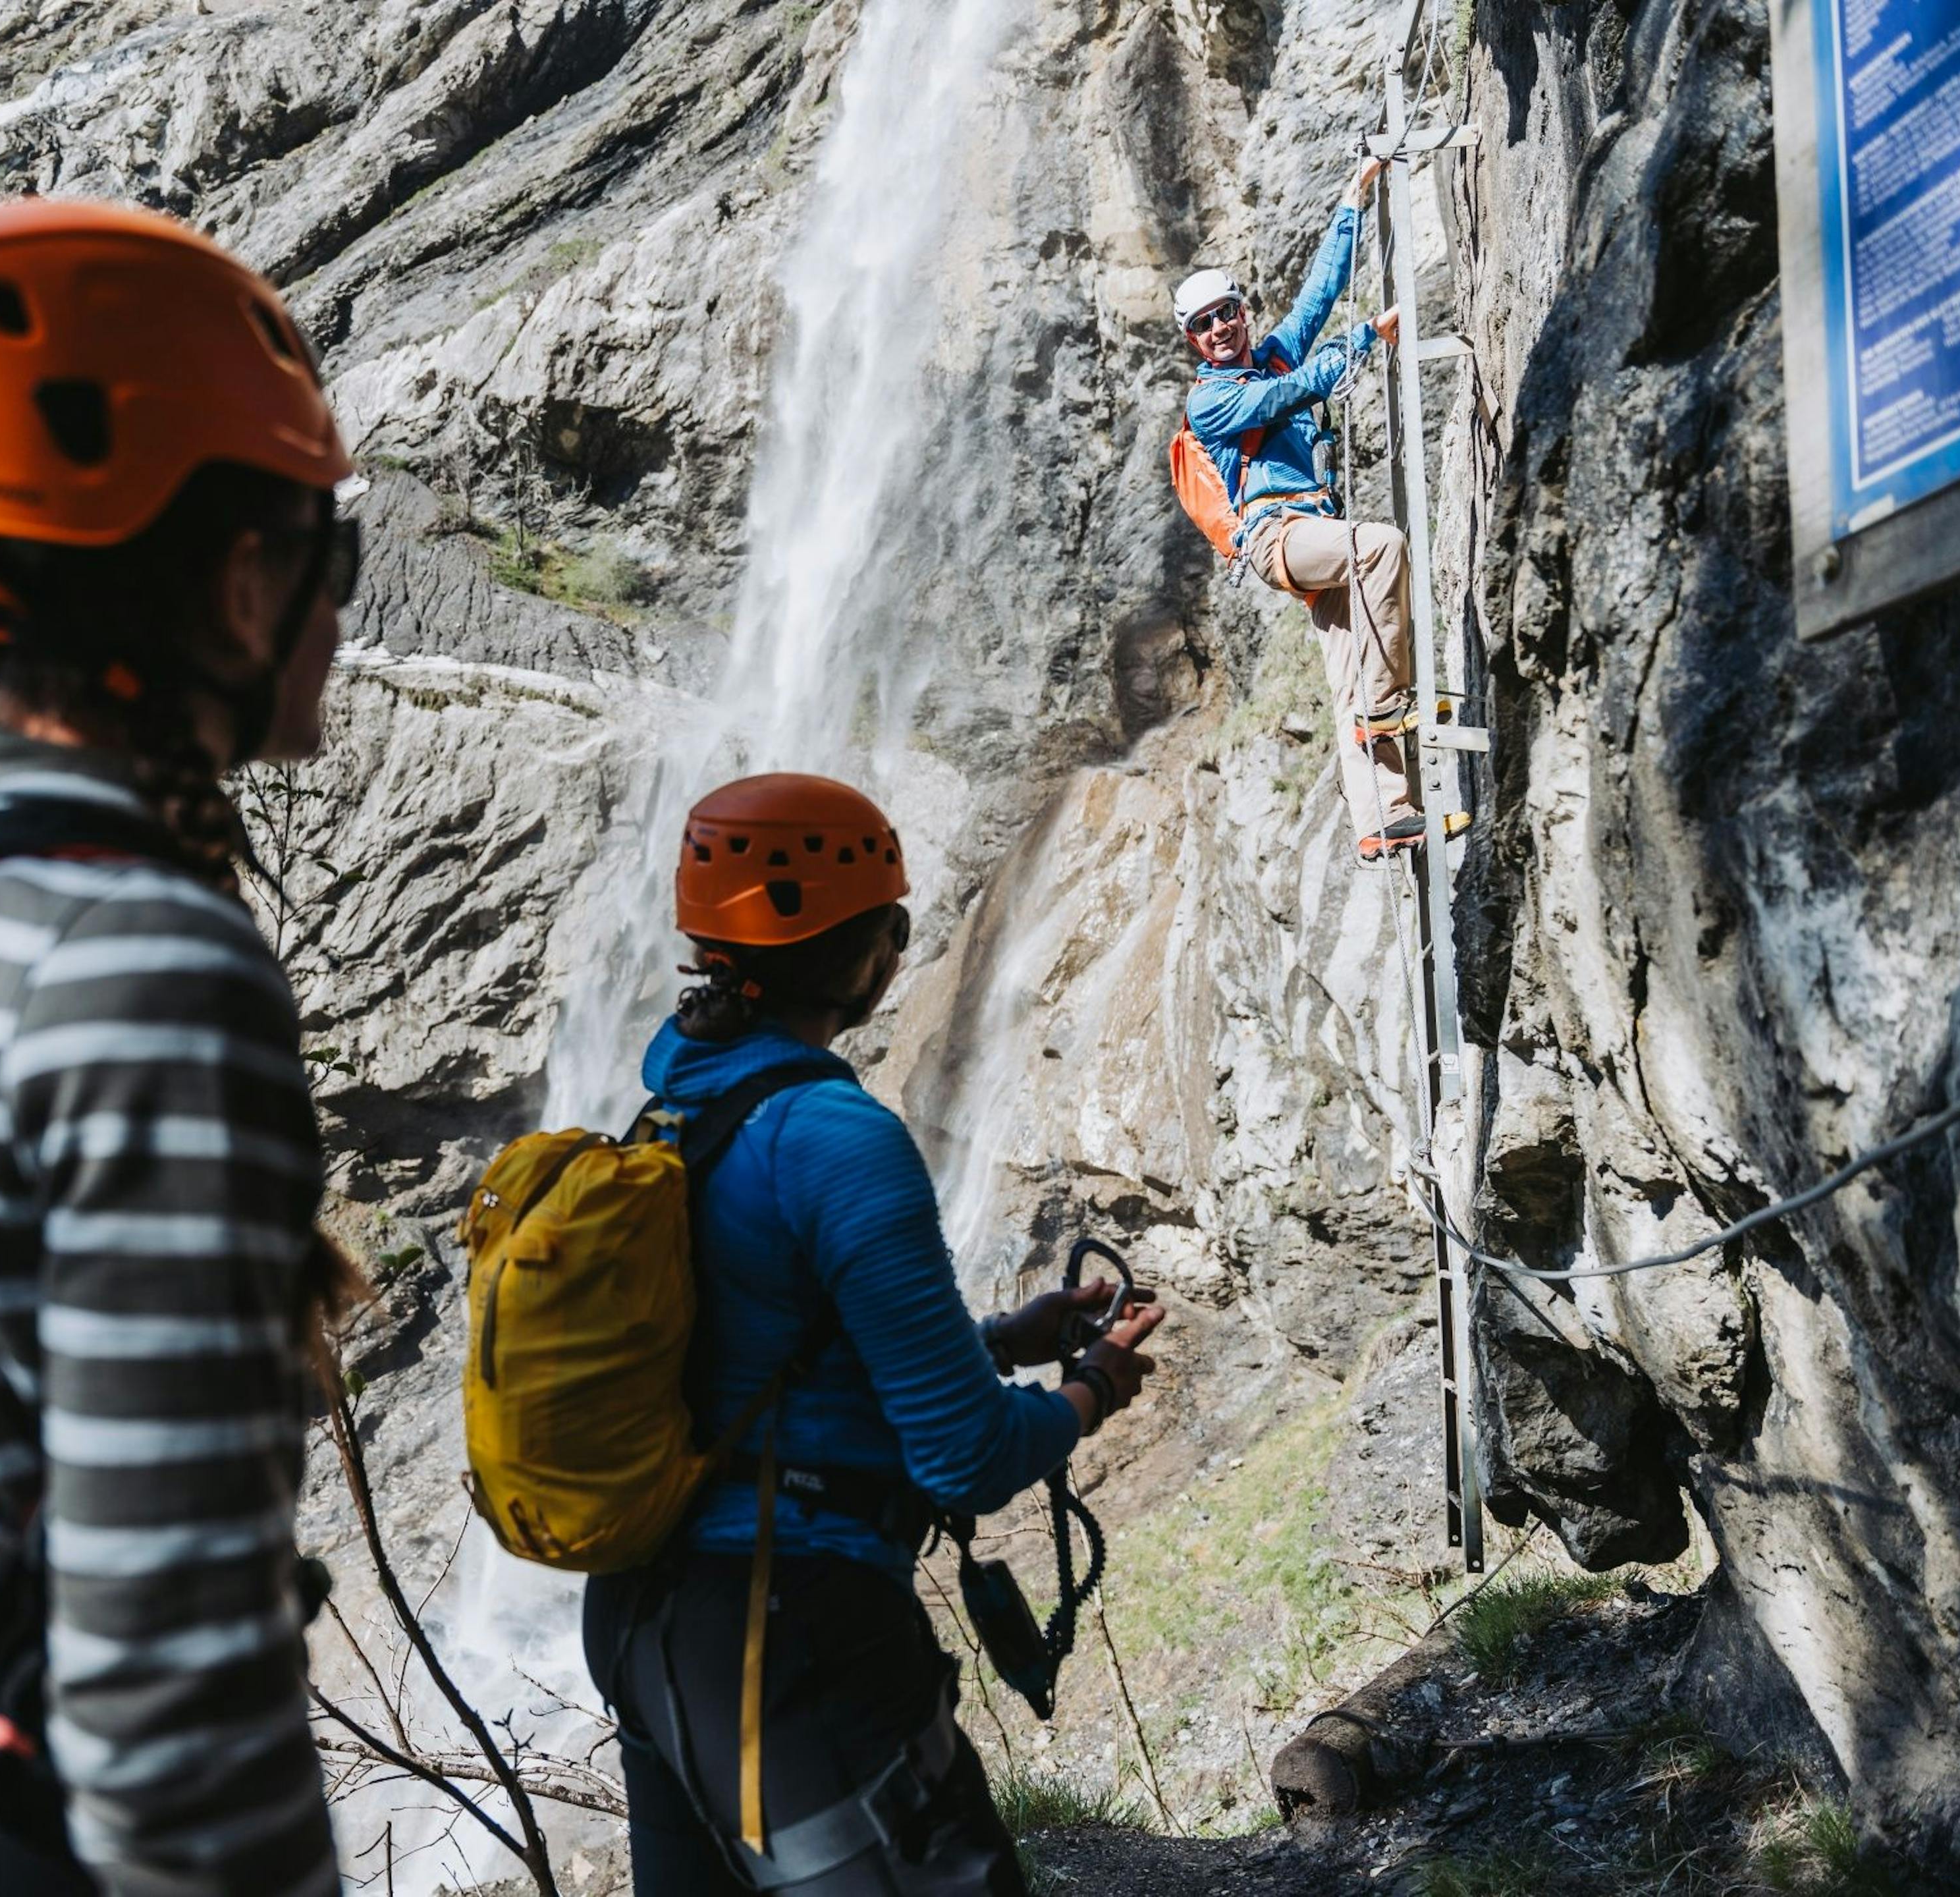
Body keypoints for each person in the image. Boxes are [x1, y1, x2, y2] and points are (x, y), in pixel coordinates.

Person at [0, 199, 357, 1896]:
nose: (343, 605)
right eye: (333, 553)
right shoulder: (134, 967)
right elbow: (167, 1710)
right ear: (242, 574)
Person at [584, 773, 1166, 1896]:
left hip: (643, 1620)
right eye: (897, 927)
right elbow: (967, 1458)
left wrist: (1000, 1341)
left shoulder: (678, 1108)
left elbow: (764, 1347)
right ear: (870, 952)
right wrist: (1093, 1382)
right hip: (784, 1628)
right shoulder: (835, 1135)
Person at [1177, 155, 1423, 861]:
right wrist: (1370, 338)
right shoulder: (1212, 399)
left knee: (1351, 675)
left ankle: (1383, 819)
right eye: (1203, 325)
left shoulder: (1274, 353)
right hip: (1277, 535)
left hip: (1310, 527)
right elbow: (1288, 398)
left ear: (1242, 312)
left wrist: (1354, 198)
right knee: (1379, 547)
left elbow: (1319, 292)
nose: (1220, 328)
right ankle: (1386, 710)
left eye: (1226, 313)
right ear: (1192, 341)